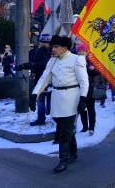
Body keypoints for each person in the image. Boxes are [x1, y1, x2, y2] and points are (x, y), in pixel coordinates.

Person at [30, 35, 89, 173]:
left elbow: (84, 81)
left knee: (64, 131)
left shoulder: (76, 60)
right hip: (56, 97)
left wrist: (83, 99)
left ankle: (63, 160)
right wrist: (34, 95)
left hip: (71, 97)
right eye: (53, 46)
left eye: (56, 47)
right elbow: (44, 79)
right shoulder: (52, 61)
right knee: (63, 126)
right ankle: (73, 152)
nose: (53, 49)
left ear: (65, 48)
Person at [77, 44, 105, 135]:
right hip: (78, 88)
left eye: (83, 51)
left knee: (90, 108)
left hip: (90, 88)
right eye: (80, 51)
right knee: (82, 108)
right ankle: (84, 126)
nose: (81, 53)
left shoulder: (91, 61)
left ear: (86, 52)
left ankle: (91, 127)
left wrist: (93, 70)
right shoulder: (75, 61)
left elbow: (98, 72)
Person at [25, 34, 53, 126]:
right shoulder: (38, 51)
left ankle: (56, 117)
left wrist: (35, 65)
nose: (40, 43)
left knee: (52, 100)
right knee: (40, 99)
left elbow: (47, 63)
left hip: (50, 79)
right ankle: (41, 118)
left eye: (42, 42)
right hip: (39, 77)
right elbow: (34, 62)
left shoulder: (52, 52)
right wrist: (23, 66)